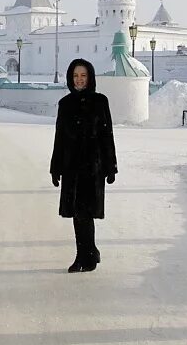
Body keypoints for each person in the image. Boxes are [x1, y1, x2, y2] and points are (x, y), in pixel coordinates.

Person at [50, 58, 117, 273]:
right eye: (75, 76)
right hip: (71, 167)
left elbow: (107, 135)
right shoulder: (65, 104)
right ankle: (88, 252)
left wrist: (110, 166)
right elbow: (59, 137)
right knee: (78, 214)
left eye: (83, 75)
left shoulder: (100, 101)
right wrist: (56, 167)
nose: (79, 80)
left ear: (90, 77)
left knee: (85, 213)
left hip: (93, 166)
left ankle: (85, 255)